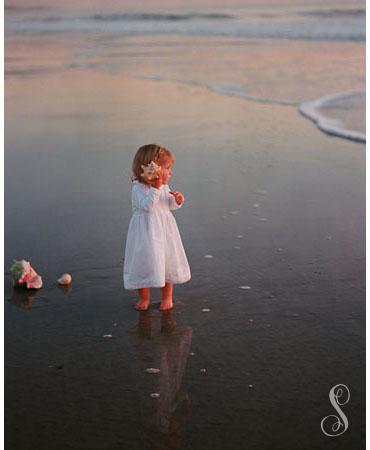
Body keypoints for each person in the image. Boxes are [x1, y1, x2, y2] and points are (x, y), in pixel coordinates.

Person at [123, 144, 191, 311]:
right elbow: (147, 206)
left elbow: (168, 205)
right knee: (144, 263)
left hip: (164, 231)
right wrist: (155, 188)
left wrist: (177, 201)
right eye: (167, 168)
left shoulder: (164, 187)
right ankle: (144, 298)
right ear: (152, 169)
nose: (171, 172)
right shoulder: (138, 188)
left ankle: (167, 297)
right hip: (145, 234)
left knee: (167, 262)